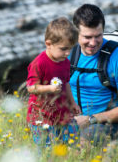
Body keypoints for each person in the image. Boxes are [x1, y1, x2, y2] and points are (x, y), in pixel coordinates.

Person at [70, 4, 118, 146]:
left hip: (106, 123)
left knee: (80, 146)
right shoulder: (67, 53)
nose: (93, 43)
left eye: (98, 36)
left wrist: (90, 119)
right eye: (87, 37)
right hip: (71, 119)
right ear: (76, 33)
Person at [26, 17, 81, 146]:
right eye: (63, 49)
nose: (67, 53)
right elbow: (30, 87)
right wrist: (49, 89)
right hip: (41, 117)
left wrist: (73, 103)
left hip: (62, 113)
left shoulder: (65, 62)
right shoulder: (39, 63)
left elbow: (66, 83)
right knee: (46, 150)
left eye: (70, 49)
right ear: (48, 44)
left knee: (72, 144)